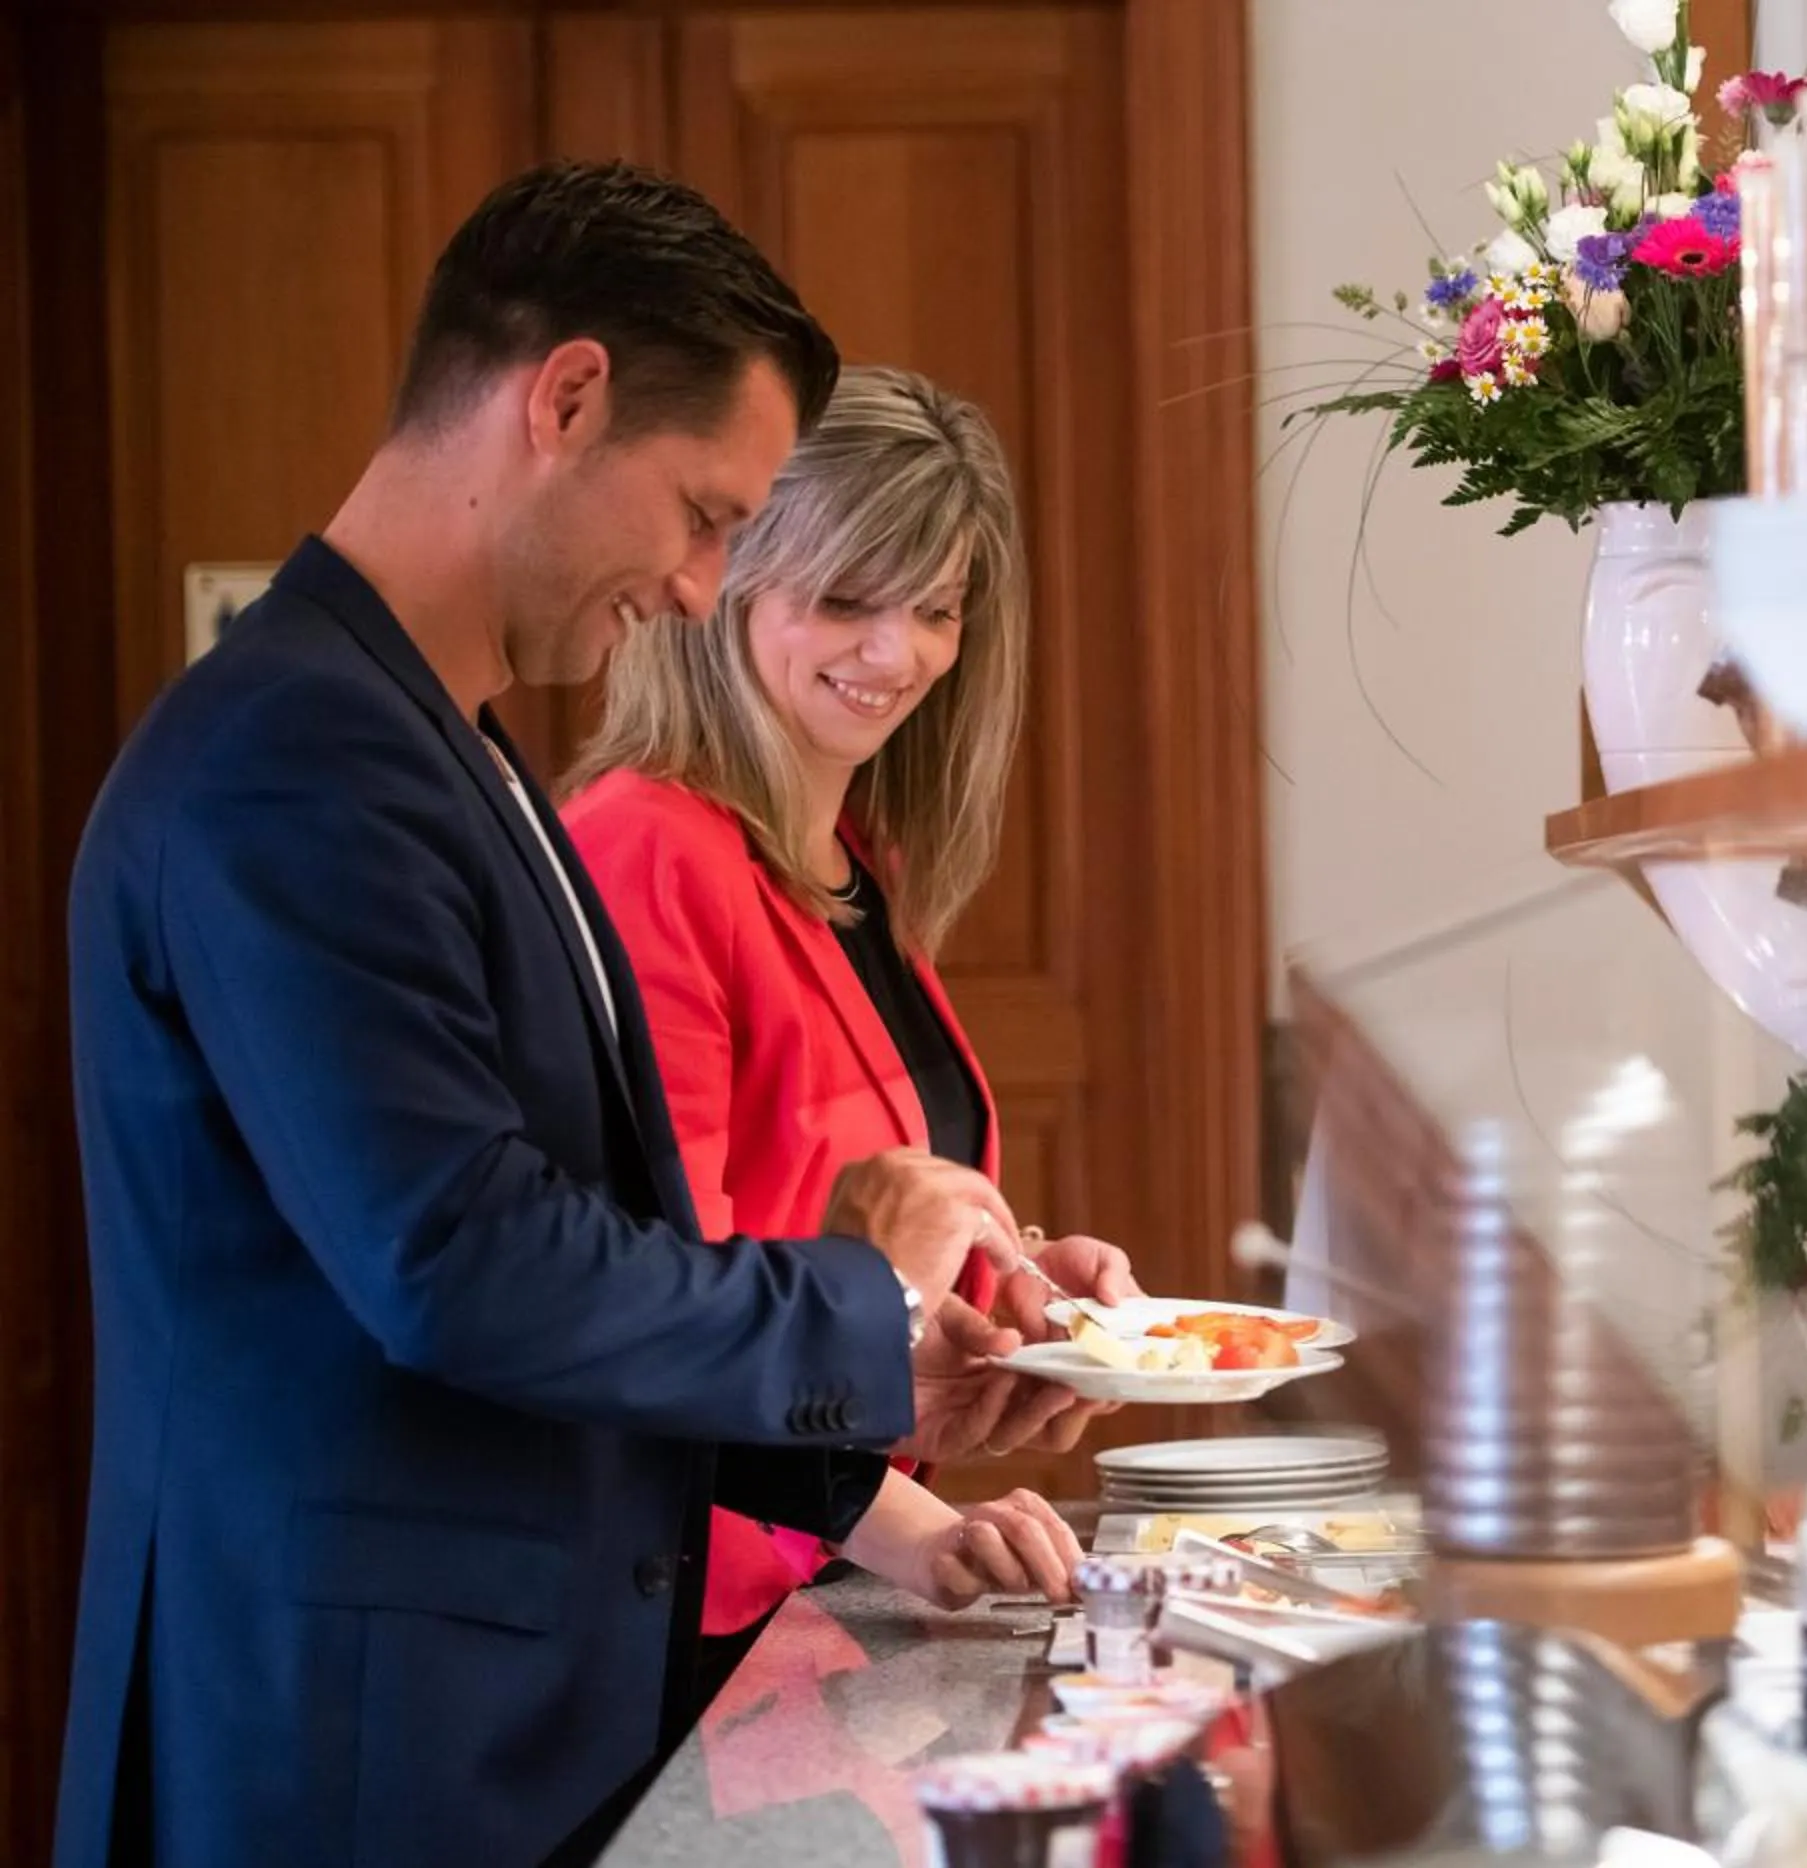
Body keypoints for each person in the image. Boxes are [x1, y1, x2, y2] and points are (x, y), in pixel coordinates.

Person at [55, 161, 1084, 1868]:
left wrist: (853, 1431)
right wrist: (864, 1293)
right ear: (568, 400)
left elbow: (590, 1258)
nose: (697, 588)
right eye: (704, 515)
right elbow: (458, 1262)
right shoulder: (298, 756)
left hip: (484, 1717)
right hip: (353, 1744)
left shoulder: (447, 747)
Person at [563, 366, 1128, 1673]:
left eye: (936, 609)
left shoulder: (856, 858)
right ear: (725, 584)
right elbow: (659, 1310)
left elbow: (833, 1234)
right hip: (680, 1616)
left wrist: (1020, 1297)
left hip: (810, 1596)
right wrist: (909, 1527)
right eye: (846, 600)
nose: (897, 655)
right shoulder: (648, 850)